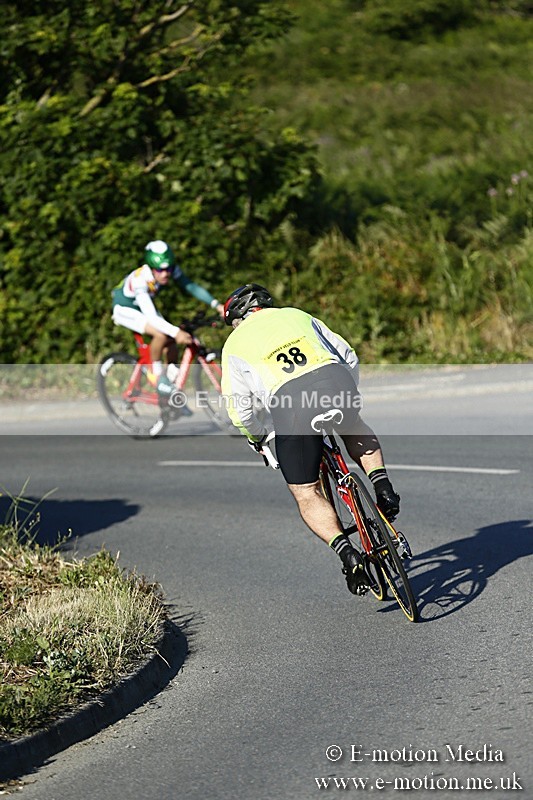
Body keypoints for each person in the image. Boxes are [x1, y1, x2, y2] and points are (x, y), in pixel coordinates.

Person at [220, 283, 401, 595]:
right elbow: (347, 354)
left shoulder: (234, 343)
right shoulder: (297, 315)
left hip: (291, 403)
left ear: (237, 319)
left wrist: (259, 438)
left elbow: (240, 409)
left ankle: (349, 557)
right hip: (335, 380)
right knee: (353, 424)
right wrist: (348, 395)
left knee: (305, 492)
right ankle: (383, 487)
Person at [112, 240, 224, 394]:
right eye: (160, 270)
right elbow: (152, 318)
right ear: (151, 268)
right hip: (125, 308)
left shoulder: (168, 269)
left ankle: (171, 384)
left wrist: (217, 305)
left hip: (143, 306)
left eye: (169, 269)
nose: (166, 274)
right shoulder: (140, 280)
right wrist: (176, 332)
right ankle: (158, 379)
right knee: (161, 333)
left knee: (171, 335)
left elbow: (190, 286)